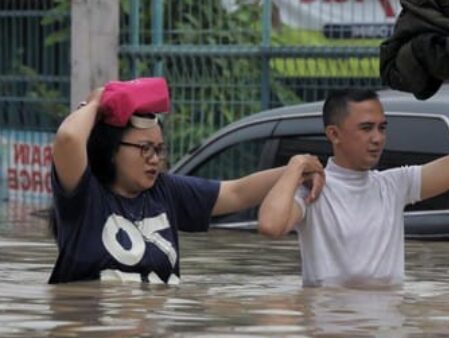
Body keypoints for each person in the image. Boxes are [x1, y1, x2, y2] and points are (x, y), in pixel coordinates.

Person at [49, 84, 324, 284]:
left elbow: (237, 192)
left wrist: (295, 168)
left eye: (160, 149)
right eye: (145, 148)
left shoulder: (165, 191)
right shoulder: (84, 197)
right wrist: (96, 102)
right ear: (111, 150)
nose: (155, 159)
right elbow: (69, 139)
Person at [257, 82, 449, 287]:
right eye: (366, 128)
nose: (377, 138)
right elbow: (270, 226)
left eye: (382, 128)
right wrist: (296, 165)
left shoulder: (394, 185)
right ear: (334, 134)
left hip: (385, 328)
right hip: (331, 329)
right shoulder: (314, 190)